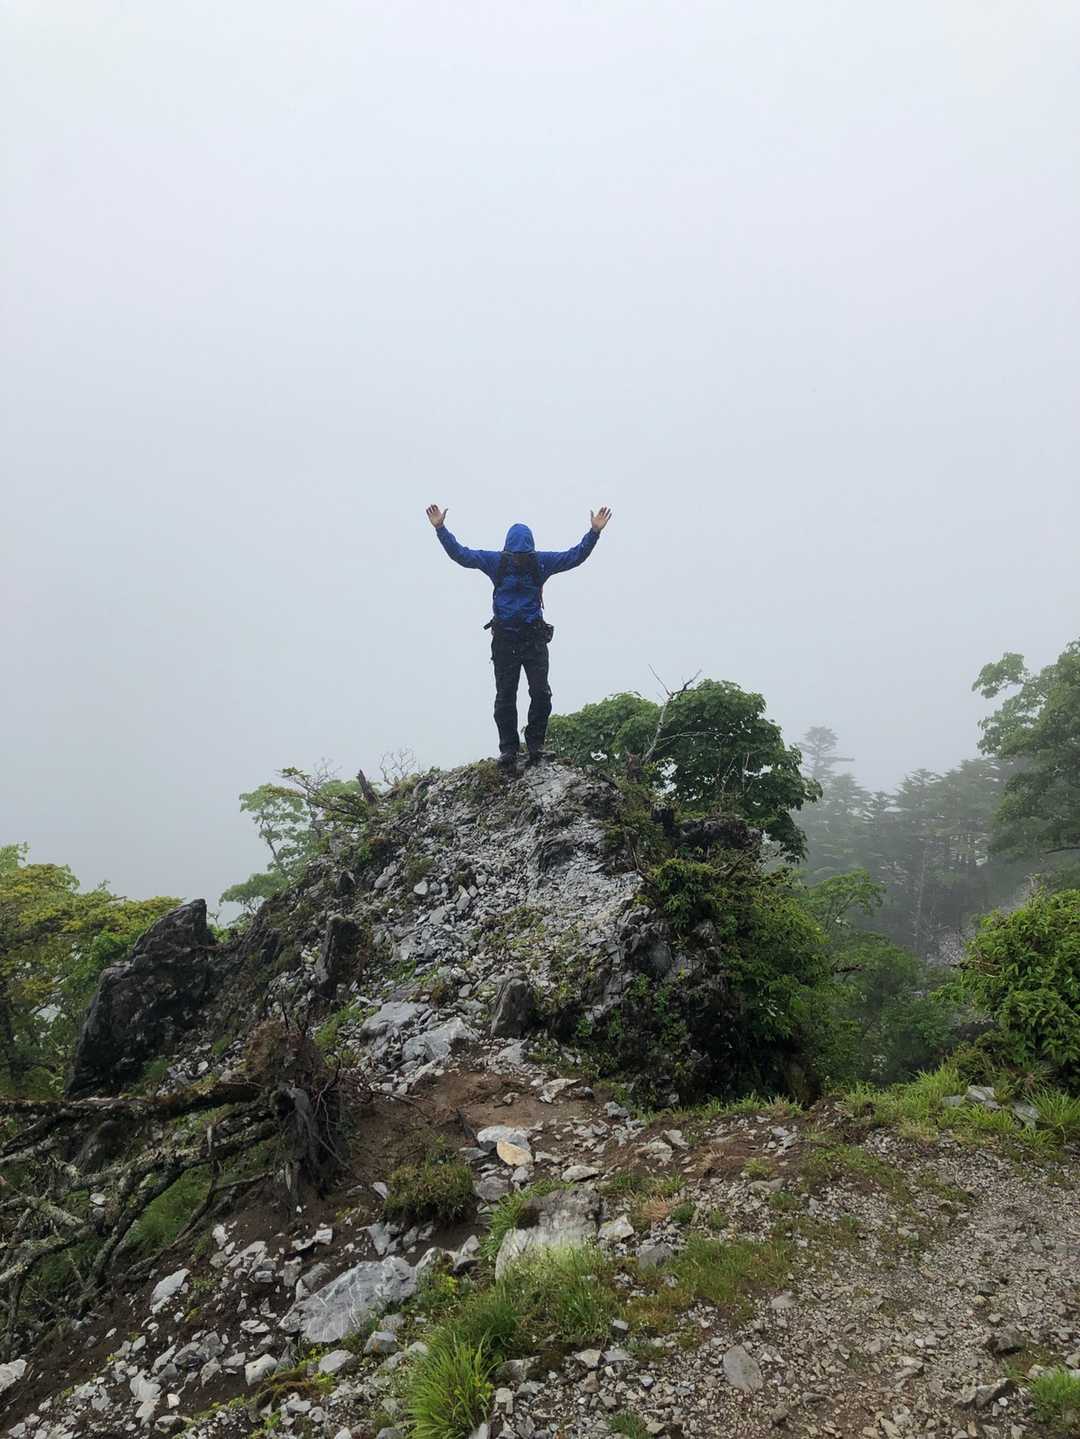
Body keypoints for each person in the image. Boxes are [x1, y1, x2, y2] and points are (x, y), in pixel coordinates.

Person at [426, 504, 612, 770]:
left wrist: (594, 532)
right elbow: (461, 555)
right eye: (516, 555)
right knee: (506, 696)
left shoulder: (539, 562)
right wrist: (440, 528)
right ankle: (509, 750)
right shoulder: (499, 562)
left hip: (533, 638)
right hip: (506, 640)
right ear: (508, 551)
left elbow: (575, 556)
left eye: (523, 555)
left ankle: (535, 746)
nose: (519, 559)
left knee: (540, 693)